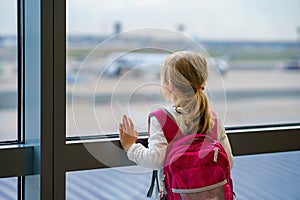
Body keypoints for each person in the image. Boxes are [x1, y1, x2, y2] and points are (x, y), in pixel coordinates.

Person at [119, 51, 234, 197]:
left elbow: (155, 160)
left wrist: (130, 147)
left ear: (170, 85)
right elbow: (228, 162)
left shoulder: (161, 118)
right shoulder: (211, 118)